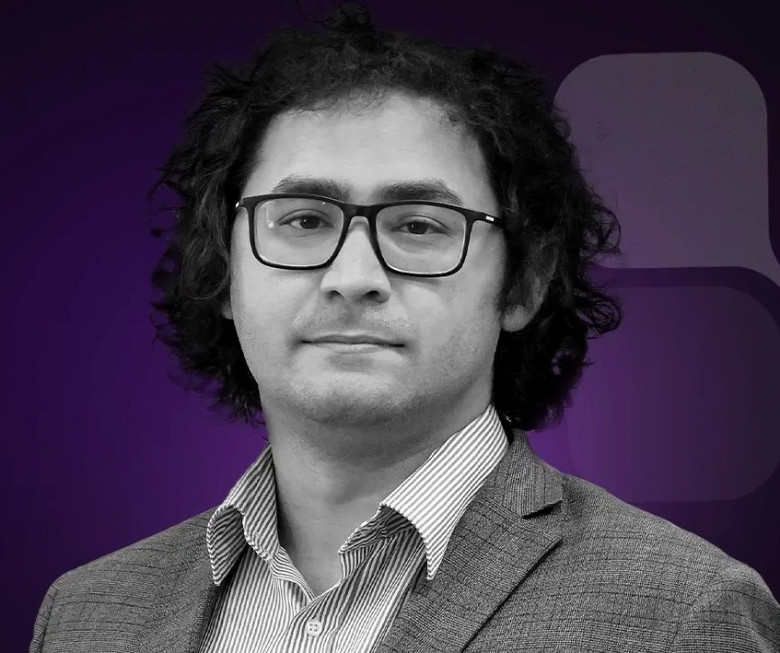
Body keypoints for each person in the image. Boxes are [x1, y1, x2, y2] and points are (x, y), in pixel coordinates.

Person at [30, 4, 780, 652]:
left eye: (419, 225)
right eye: (303, 220)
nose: (353, 275)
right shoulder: (85, 615)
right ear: (225, 270)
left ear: (523, 282)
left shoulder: (683, 612)